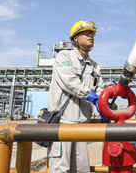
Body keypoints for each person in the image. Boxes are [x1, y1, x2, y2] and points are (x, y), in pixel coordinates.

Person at [47, 20, 105, 173]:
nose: (90, 35)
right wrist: (91, 96)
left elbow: (100, 89)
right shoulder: (63, 57)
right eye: (86, 32)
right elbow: (69, 81)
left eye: (92, 33)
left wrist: (104, 106)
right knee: (61, 168)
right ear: (74, 39)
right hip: (62, 123)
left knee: (81, 169)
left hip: (82, 127)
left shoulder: (95, 66)